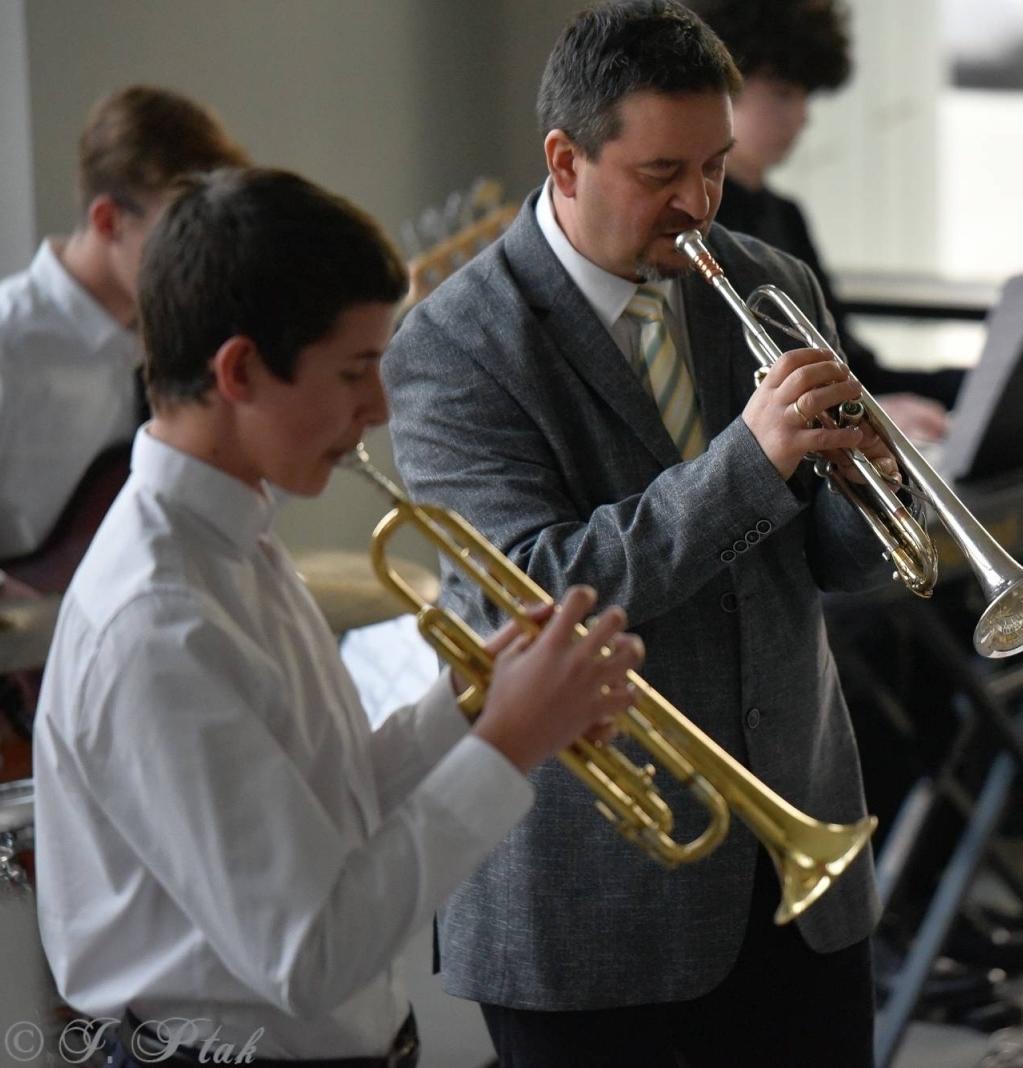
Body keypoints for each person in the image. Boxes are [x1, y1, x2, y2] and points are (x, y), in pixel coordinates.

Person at [33, 166, 645, 1067]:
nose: (380, 408)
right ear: (239, 370)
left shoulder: (228, 539)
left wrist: (472, 703)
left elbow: (329, 805)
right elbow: (311, 954)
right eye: (355, 371)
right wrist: (507, 745)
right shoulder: (157, 621)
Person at [381, 3, 889, 1064]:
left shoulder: (770, 280)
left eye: (715, 166)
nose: (699, 203)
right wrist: (752, 462)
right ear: (565, 161)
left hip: (801, 861)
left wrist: (866, 487)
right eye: (663, 173)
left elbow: (829, 567)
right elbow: (535, 593)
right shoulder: (451, 345)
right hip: (593, 901)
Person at [0, 85, 248, 592]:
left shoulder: (181, 334)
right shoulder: (2, 344)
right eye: (176, 231)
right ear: (108, 220)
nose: (199, 257)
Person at [685, 0, 963, 444]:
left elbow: (848, 365)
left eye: (805, 95)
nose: (803, 116)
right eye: (783, 93)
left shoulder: (785, 215)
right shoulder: (694, 228)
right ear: (722, 89)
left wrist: (978, 384)